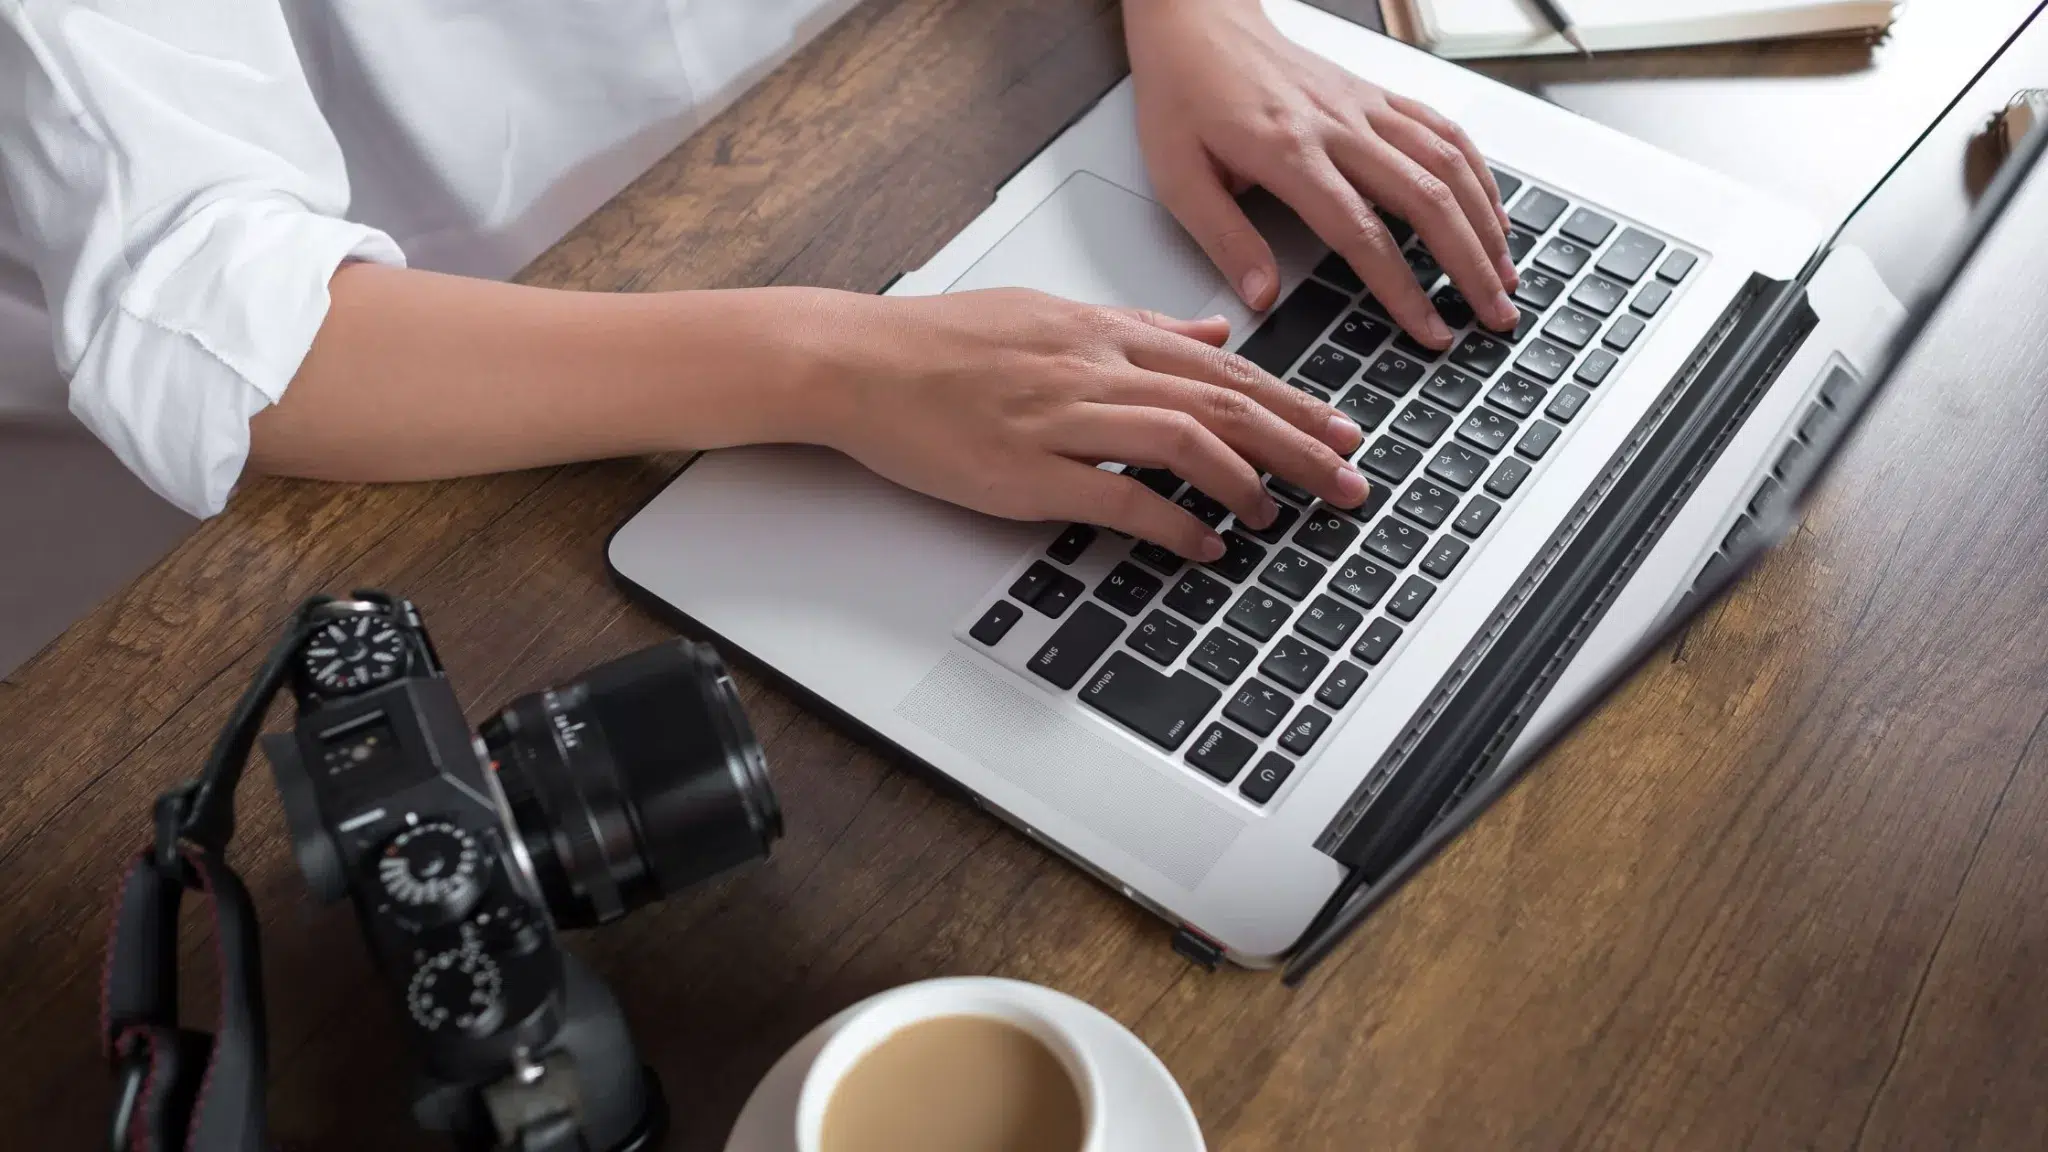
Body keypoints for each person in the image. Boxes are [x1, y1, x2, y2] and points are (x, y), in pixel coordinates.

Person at [0, 0, 1516, 671]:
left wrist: (1200, 10)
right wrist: (845, 366)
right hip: (504, 354)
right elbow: (221, 321)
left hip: (909, 112)